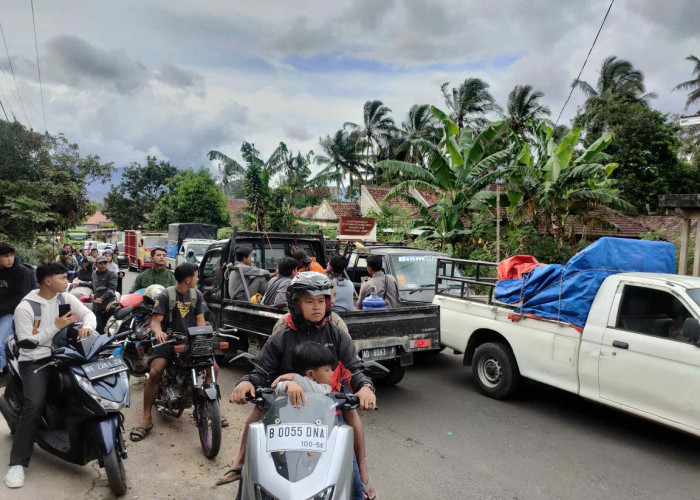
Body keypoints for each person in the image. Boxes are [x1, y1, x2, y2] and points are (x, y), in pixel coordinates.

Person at [220, 272, 377, 499]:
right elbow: (262, 371)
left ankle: (363, 475)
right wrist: (246, 383)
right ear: (296, 303)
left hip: (328, 411)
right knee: (253, 475)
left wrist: (364, 387)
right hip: (283, 412)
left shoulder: (336, 333)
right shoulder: (282, 335)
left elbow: (355, 367)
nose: (317, 307)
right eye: (309, 301)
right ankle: (239, 464)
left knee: (350, 475)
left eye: (321, 300)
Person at [3, 263, 95, 489]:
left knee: (86, 392)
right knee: (33, 405)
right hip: (34, 360)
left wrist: (89, 327)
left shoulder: (64, 297)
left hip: (65, 355)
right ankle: (17, 463)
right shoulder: (26, 307)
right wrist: (55, 326)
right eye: (63, 278)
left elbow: (87, 313)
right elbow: (27, 341)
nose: (67, 281)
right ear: (48, 281)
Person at [129, 263, 225, 441]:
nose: (198, 279)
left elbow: (200, 320)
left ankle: (209, 408)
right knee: (155, 371)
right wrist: (158, 332)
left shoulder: (196, 294)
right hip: (169, 339)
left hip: (192, 340)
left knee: (214, 368)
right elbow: (156, 321)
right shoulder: (166, 295)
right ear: (188, 279)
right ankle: (146, 417)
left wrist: (202, 337)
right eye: (196, 276)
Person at [0, 243, 35, 374]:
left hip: (13, 313)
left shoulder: (21, 271)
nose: (10, 259)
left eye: (11, 255)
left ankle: (3, 380)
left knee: (0, 344)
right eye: (5, 256)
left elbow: (21, 299)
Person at [90, 256, 118, 333]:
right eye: (100, 263)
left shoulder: (112, 274)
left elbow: (111, 290)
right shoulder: (93, 274)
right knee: (98, 328)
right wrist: (79, 284)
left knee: (109, 329)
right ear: (96, 265)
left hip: (108, 305)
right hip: (97, 305)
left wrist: (101, 298)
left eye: (104, 263)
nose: (102, 265)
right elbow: (92, 285)